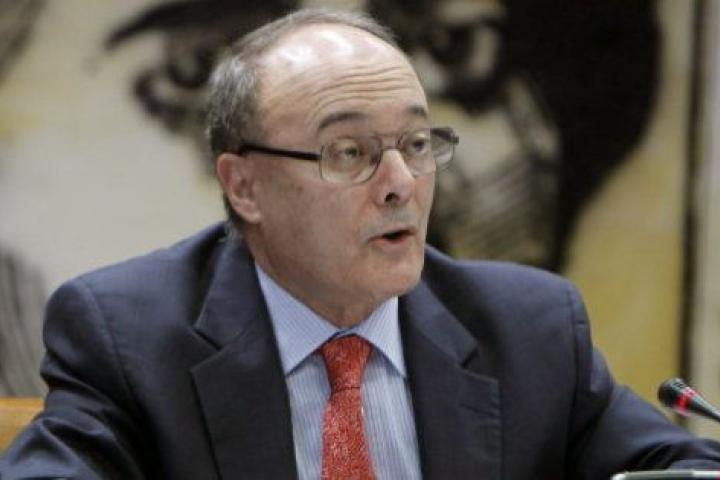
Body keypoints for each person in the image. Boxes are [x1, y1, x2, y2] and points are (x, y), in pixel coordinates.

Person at [1, 8, 719, 480]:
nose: (402, 183)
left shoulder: (528, 330)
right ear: (244, 186)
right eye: (349, 153)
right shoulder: (129, 337)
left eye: (417, 143)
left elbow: (675, 468)